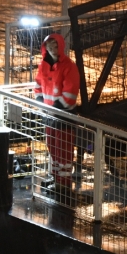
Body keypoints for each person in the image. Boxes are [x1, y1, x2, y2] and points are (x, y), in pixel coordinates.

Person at [34, 33, 80, 195]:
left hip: (63, 115)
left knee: (64, 149)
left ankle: (64, 182)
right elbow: (39, 85)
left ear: (60, 47)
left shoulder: (69, 67)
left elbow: (70, 92)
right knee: (52, 147)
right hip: (49, 114)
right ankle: (55, 177)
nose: (52, 49)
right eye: (49, 46)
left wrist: (54, 107)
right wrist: (40, 102)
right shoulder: (44, 65)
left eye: (55, 46)